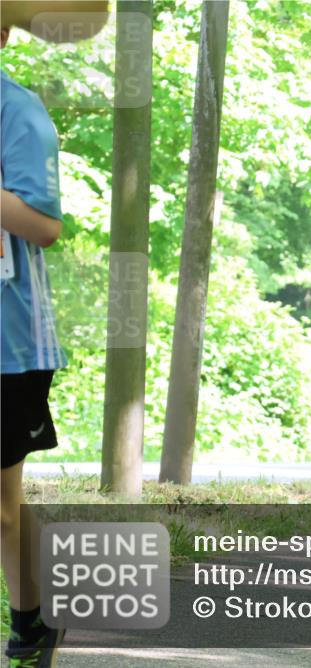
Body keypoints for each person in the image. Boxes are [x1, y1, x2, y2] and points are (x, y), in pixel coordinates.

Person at [1, 3, 109, 663]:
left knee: (3, 507)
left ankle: (32, 621)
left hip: (8, 342)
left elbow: (43, 225)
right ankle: (34, 617)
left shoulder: (19, 112)